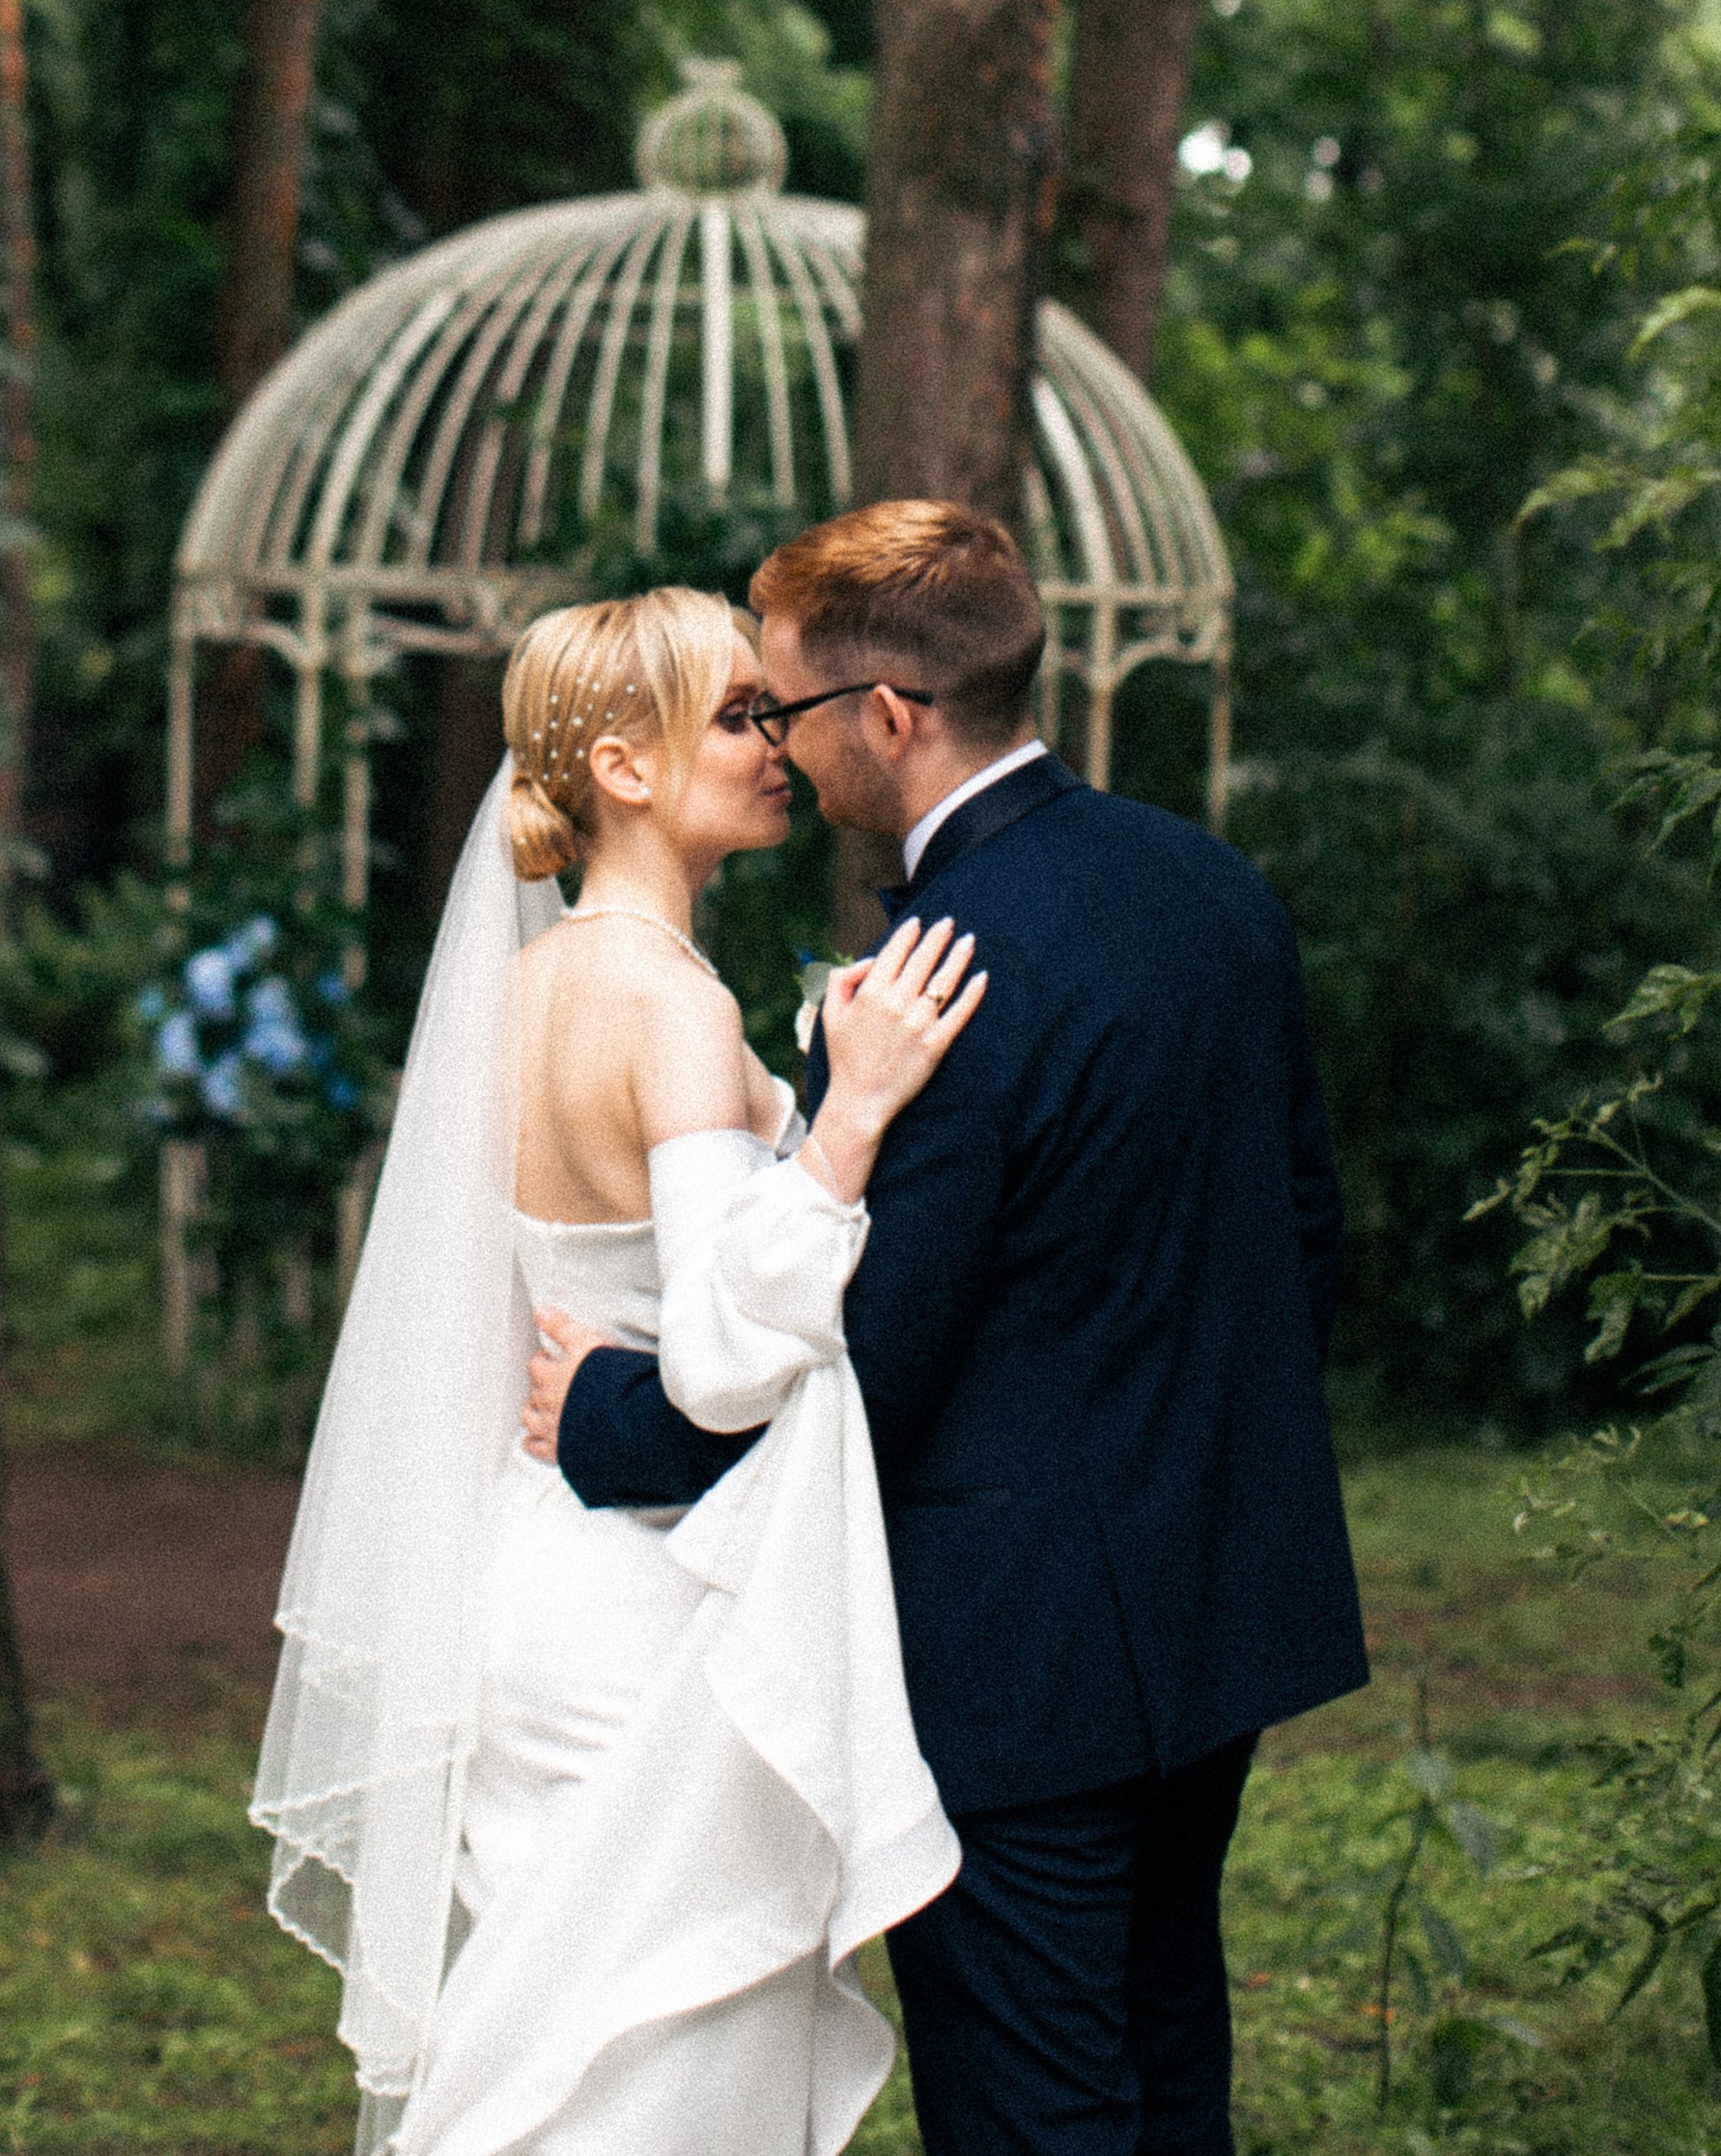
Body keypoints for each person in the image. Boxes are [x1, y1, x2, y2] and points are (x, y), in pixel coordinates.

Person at [522, 501, 1369, 2156]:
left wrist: (608, 1417)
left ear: (892, 715)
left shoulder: (928, 979)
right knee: (1166, 2059)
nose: (778, 744)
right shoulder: (1211, 885)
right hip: (1223, 1592)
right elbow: (1305, 1233)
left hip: (1010, 1650)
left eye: (786, 710)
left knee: (1033, 2108)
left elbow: (867, 1360)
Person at [252, 582, 990, 2156]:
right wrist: (851, 1120)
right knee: (661, 2072)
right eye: (738, 717)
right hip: (650, 1602)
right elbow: (720, 1360)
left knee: (563, 2045)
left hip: (532, 1571)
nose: (776, 744)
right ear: (625, 767)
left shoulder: (524, 992)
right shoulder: (669, 1001)